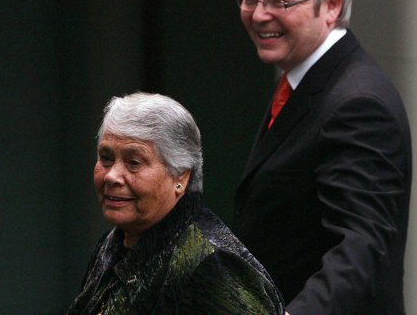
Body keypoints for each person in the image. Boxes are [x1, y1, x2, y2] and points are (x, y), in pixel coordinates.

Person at [231, 0, 413, 314]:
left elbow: (360, 249)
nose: (259, 14)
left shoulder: (357, 104)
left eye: (278, 1)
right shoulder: (303, 80)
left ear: (331, 5)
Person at [66, 92, 284, 314]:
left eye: (134, 162)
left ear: (181, 177)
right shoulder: (113, 243)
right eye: (106, 158)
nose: (112, 176)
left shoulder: (211, 264)